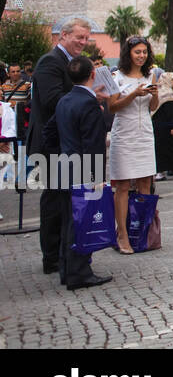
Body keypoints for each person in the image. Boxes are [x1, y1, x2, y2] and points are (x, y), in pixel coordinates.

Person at [28, 17, 93, 275]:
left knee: (66, 200)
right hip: (50, 145)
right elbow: (53, 101)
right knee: (54, 202)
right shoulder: (50, 62)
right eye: (79, 37)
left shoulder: (68, 63)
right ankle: (52, 258)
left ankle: (64, 254)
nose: (83, 42)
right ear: (63, 35)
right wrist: (87, 96)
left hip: (65, 144)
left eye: (86, 38)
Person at [53, 55, 112, 289]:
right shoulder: (88, 104)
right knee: (81, 221)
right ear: (92, 75)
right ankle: (79, 272)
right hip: (83, 169)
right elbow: (93, 143)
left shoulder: (63, 100)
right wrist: (97, 177)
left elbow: (50, 133)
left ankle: (66, 269)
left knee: (68, 220)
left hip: (64, 164)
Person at [106, 37, 159, 254]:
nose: (142, 56)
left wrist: (154, 96)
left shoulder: (150, 75)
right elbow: (112, 107)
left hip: (145, 133)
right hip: (124, 134)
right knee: (123, 186)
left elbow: (153, 106)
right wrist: (134, 94)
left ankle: (143, 231)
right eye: (138, 52)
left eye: (145, 52)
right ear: (128, 53)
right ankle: (122, 235)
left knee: (145, 183)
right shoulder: (116, 77)